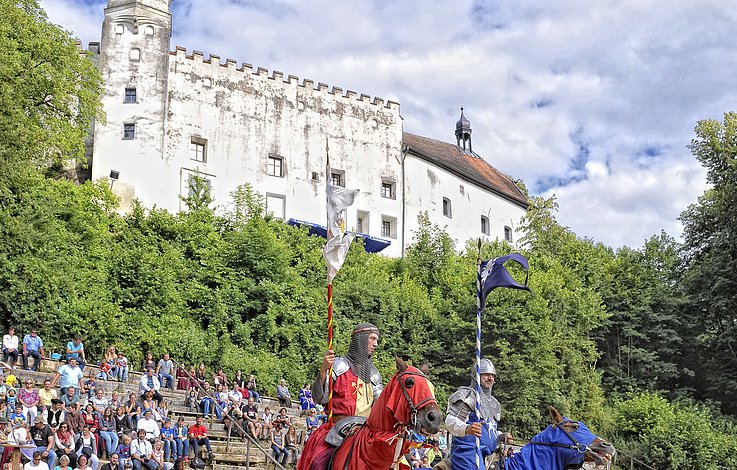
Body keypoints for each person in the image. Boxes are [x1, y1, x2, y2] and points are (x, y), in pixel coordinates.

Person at [297, 323, 382, 470]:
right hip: (338, 429)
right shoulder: (339, 366)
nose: (376, 344)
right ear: (360, 340)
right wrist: (324, 369)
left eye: (377, 340)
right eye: (372, 339)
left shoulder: (373, 375)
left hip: (364, 432)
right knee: (318, 463)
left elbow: (381, 405)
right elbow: (319, 398)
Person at [444, 358, 512, 470]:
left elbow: (489, 431)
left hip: (487, 455)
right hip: (467, 452)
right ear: (476, 375)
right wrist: (468, 428)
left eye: (492, 375)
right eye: (486, 375)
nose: (490, 378)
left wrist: (500, 436)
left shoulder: (495, 403)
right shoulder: (467, 395)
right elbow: (450, 422)